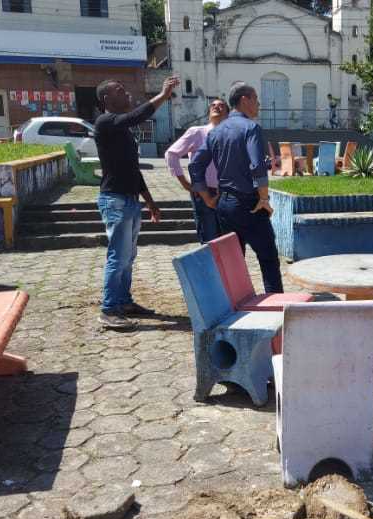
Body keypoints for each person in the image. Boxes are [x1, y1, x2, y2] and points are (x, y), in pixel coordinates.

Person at [93, 76, 178, 329]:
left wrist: (150, 201)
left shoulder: (122, 130)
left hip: (130, 200)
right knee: (117, 257)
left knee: (128, 257)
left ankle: (124, 301)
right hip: (115, 200)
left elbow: (133, 170)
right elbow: (135, 116)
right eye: (120, 90)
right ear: (106, 99)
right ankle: (109, 310)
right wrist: (162, 96)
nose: (126, 93)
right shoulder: (106, 122)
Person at [189, 83, 283, 293]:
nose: (258, 104)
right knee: (268, 259)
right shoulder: (251, 128)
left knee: (234, 262)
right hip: (250, 204)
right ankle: (276, 309)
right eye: (256, 99)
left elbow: (195, 165)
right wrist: (264, 198)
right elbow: (257, 166)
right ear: (244, 100)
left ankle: (237, 306)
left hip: (225, 205)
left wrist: (206, 197)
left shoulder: (216, 132)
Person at [164, 98, 229, 243]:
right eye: (213, 105)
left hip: (227, 192)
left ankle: (223, 266)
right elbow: (171, 154)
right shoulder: (197, 132)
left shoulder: (232, 135)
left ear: (228, 113)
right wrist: (186, 184)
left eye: (221, 105)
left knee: (227, 238)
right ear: (208, 112)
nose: (216, 107)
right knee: (209, 237)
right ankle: (209, 265)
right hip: (204, 192)